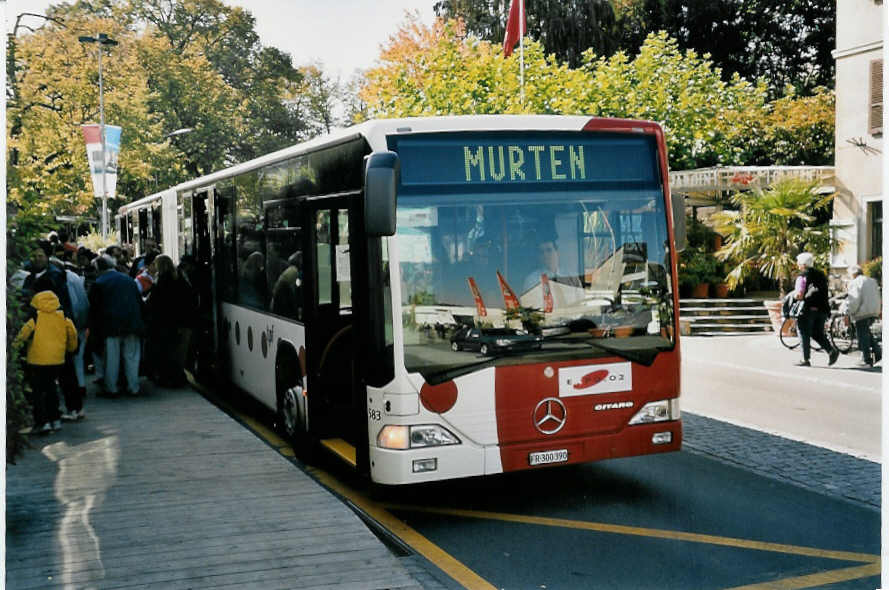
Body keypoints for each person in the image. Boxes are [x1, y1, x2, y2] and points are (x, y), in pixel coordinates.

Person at [14, 290, 78, 433]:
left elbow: (23, 334)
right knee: (51, 389)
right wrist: (70, 349)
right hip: (57, 359)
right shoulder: (63, 317)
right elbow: (72, 334)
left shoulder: (35, 318)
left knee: (37, 392)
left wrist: (13, 349)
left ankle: (43, 422)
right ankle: (55, 420)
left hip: (37, 360)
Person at [88, 254, 145, 396]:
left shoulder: (99, 283)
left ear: (97, 269)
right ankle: (133, 387)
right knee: (131, 357)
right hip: (132, 324)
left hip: (110, 326)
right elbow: (139, 303)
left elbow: (94, 309)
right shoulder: (129, 280)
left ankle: (111, 388)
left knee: (111, 359)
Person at [145, 255, 194, 386]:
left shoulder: (161, 282)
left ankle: (167, 377)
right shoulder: (182, 279)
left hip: (165, 323)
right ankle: (178, 376)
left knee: (166, 351)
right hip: (184, 322)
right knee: (180, 352)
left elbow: (154, 303)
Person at [793, 252, 839, 367]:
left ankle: (805, 359)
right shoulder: (821, 275)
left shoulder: (802, 276)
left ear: (803, 264)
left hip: (808, 308)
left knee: (803, 332)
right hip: (822, 309)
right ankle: (831, 351)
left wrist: (793, 297)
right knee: (817, 333)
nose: (798, 265)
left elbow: (799, 294)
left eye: (799, 263)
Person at [845, 264, 881, 367]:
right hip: (874, 311)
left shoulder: (855, 282)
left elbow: (854, 300)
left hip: (862, 312)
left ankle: (866, 360)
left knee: (862, 335)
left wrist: (848, 312)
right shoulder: (872, 281)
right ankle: (878, 353)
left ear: (853, 274)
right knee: (866, 333)